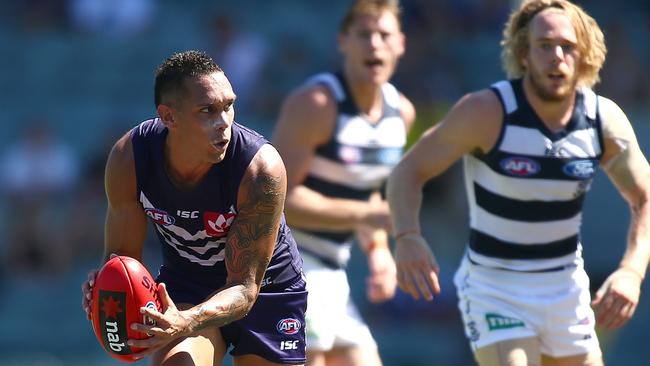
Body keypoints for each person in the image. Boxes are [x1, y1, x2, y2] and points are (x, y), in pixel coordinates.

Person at [386, 1, 650, 365]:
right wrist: (407, 237)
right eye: (544, 45)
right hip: (496, 289)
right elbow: (407, 171)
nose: (556, 56)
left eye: (567, 46)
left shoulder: (602, 121)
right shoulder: (486, 112)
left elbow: (645, 197)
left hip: (565, 290)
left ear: (585, 53)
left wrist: (632, 272)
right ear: (524, 54)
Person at [81, 50, 307, 366]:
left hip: (267, 289)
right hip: (187, 285)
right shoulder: (130, 159)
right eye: (207, 110)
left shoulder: (260, 171)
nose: (224, 122)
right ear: (169, 116)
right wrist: (107, 284)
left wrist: (187, 321)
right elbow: (122, 258)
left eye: (229, 106)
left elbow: (244, 289)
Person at [272, 1, 415, 365]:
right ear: (343, 41)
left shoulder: (402, 114)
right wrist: (370, 216)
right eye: (364, 35)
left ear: (401, 43)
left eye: (384, 35)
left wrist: (378, 253)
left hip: (333, 271)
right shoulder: (316, 103)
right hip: (288, 265)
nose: (374, 45)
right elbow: (276, 202)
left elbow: (369, 191)